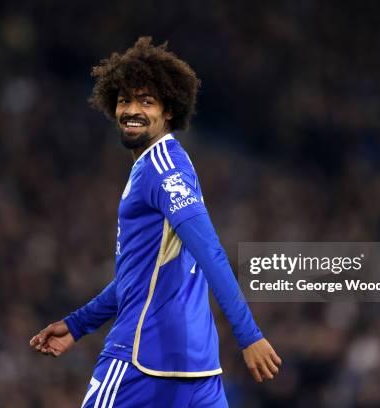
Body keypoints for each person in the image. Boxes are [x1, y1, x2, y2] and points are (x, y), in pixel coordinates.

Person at [30, 36, 281, 408]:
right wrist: (79, 323)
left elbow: (209, 250)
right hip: (199, 372)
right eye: (124, 100)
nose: (132, 110)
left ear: (169, 111)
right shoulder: (156, 166)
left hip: (140, 359)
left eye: (146, 101)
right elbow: (141, 274)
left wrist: (249, 335)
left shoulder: (162, 168)